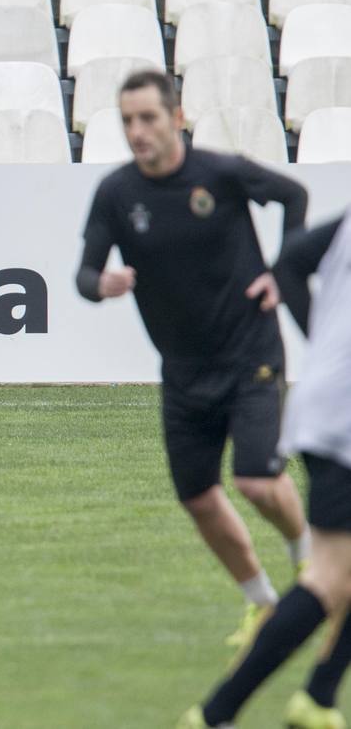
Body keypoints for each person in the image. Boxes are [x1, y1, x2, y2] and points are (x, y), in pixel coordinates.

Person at [77, 69, 312, 652]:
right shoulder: (116, 194)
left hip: (250, 352)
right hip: (183, 372)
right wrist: (100, 283)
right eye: (128, 120)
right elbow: (83, 274)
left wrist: (282, 274)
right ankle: (262, 603)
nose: (138, 131)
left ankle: (312, 560)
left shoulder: (220, 173)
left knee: (256, 482)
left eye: (148, 118)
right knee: (200, 498)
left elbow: (294, 196)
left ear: (176, 117)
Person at [180, 212, 351, 729]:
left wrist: (323, 346)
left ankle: (319, 698)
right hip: (344, 415)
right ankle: (215, 714)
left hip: (327, 400)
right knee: (327, 578)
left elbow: (291, 261)